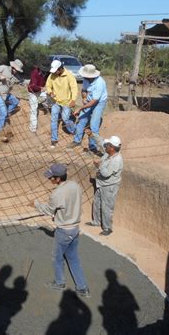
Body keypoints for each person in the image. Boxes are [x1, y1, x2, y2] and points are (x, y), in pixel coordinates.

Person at [33, 163, 90, 298]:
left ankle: (59, 283)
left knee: (57, 257)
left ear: (58, 178)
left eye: (51, 177)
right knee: (73, 257)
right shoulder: (75, 185)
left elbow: (48, 210)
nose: (49, 179)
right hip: (75, 228)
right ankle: (82, 288)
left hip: (64, 231)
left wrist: (36, 204)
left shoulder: (57, 193)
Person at [86, 136, 123, 236]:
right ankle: (96, 222)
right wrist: (92, 135)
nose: (105, 146)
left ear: (112, 147)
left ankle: (107, 228)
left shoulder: (116, 160)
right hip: (101, 184)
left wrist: (98, 167)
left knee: (107, 207)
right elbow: (101, 142)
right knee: (97, 203)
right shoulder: (108, 154)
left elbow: (106, 173)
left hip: (109, 186)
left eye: (107, 145)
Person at [70, 64, 107, 153]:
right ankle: (77, 140)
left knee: (93, 125)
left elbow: (94, 101)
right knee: (81, 119)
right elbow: (84, 90)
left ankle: (93, 147)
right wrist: (83, 98)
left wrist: (80, 108)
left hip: (99, 103)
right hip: (89, 101)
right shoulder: (86, 79)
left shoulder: (99, 83)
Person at [0, 59, 24, 142]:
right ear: (12, 67)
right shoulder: (4, 68)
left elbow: (22, 81)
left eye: (17, 70)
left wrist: (32, 82)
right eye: (15, 69)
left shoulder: (16, 76)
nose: (16, 71)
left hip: (6, 94)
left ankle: (6, 113)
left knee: (16, 102)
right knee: (3, 112)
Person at [45, 60, 78, 148]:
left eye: (56, 70)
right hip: (55, 101)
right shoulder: (52, 75)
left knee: (65, 119)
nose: (55, 72)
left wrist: (73, 100)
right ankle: (54, 139)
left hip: (66, 102)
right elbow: (48, 85)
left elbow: (74, 88)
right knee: (53, 120)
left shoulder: (69, 76)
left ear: (60, 68)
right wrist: (50, 92)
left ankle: (75, 130)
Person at [27, 65, 47, 133]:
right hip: (32, 92)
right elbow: (33, 86)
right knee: (34, 109)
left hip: (40, 91)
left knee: (49, 96)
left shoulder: (47, 73)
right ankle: (33, 128)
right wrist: (41, 88)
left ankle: (45, 105)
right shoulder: (34, 73)